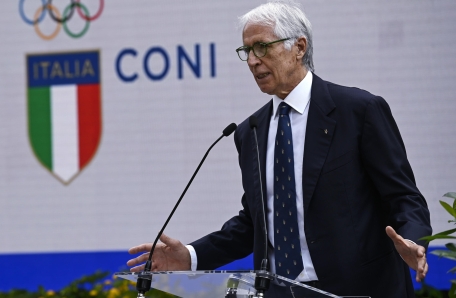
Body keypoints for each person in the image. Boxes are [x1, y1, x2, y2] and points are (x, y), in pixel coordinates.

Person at [127, 1, 432, 297]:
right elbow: (255, 222)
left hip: (359, 288)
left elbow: (403, 196)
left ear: (299, 47)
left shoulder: (358, 111)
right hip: (279, 291)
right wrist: (192, 256)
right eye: (246, 50)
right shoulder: (250, 132)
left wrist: (413, 239)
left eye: (262, 47)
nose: (252, 60)